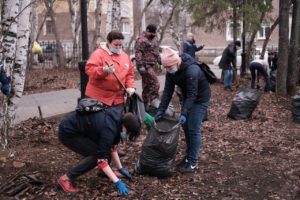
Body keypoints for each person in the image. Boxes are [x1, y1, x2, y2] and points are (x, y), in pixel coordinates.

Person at [57, 106, 141, 196]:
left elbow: (112, 147)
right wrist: (117, 182)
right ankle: (66, 178)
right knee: (96, 155)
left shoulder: (118, 117)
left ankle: (103, 172)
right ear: (125, 127)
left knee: (104, 150)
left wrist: (120, 168)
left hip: (80, 127)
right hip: (68, 132)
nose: (127, 135)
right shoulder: (109, 130)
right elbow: (101, 160)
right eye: (128, 132)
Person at [154, 47, 211, 173]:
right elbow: (168, 91)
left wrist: (184, 112)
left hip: (200, 98)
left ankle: (193, 161)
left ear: (176, 62)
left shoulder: (192, 70)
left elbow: (192, 94)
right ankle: (188, 156)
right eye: (166, 68)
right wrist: (161, 109)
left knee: (193, 127)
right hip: (187, 97)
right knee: (186, 127)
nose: (168, 70)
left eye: (169, 67)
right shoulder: (171, 71)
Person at [85, 30, 136, 110]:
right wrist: (103, 70)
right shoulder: (98, 54)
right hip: (99, 97)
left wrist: (130, 86)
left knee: (117, 120)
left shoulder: (125, 56)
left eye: (120, 45)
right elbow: (90, 70)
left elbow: (129, 74)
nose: (119, 47)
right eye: (116, 45)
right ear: (108, 42)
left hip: (118, 99)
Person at [135, 24, 161, 108]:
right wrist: (140, 66)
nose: (153, 35)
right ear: (147, 31)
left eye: (154, 34)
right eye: (152, 33)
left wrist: (160, 60)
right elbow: (138, 53)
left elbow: (155, 51)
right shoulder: (141, 40)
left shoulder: (154, 39)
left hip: (152, 64)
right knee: (155, 83)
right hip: (145, 66)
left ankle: (144, 105)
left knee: (146, 86)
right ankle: (154, 100)